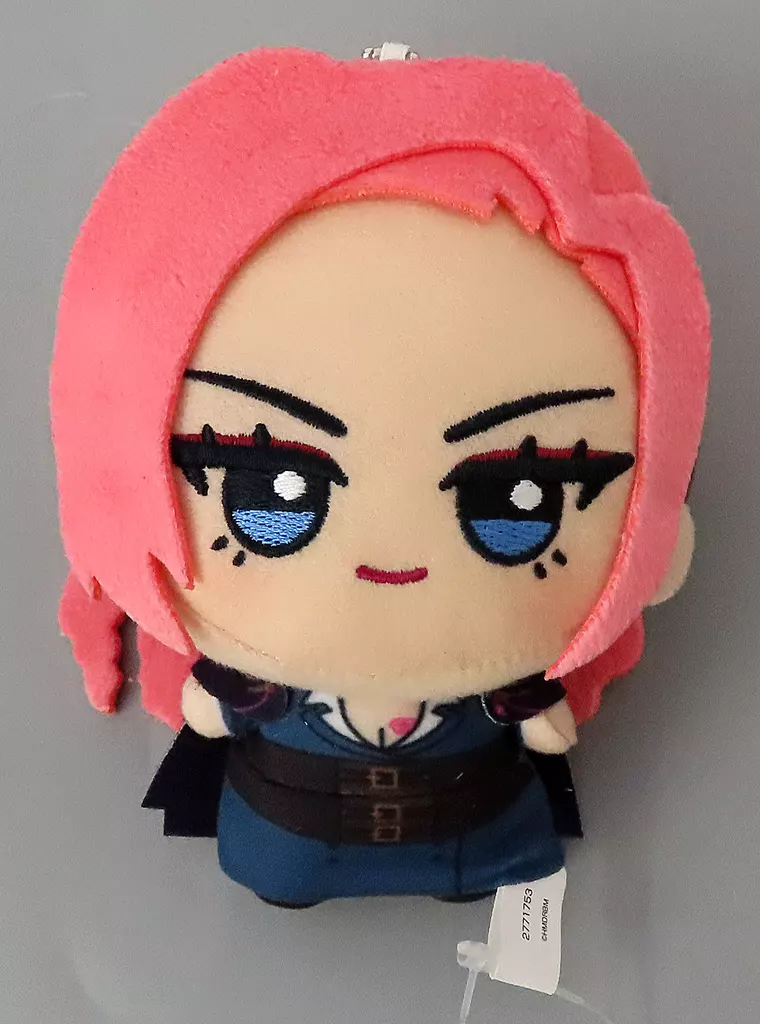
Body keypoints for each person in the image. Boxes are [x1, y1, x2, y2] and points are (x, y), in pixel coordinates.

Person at [51, 48, 710, 906]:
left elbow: (541, 727)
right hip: (294, 818)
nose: (393, 555)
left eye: (519, 499)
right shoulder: (259, 682)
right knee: (287, 861)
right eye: (269, 494)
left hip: (468, 813)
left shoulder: (489, 686)